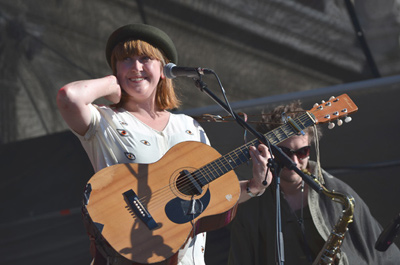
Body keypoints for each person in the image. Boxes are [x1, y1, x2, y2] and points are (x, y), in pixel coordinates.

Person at [56, 23, 271, 265]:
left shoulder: (189, 127)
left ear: (163, 69)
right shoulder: (104, 120)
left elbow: (216, 197)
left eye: (145, 58)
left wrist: (255, 185)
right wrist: (111, 85)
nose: (136, 67)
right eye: (125, 59)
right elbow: (69, 96)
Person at [228, 101, 400, 265]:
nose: (294, 160)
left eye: (302, 151)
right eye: (284, 152)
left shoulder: (337, 191)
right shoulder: (250, 206)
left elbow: (386, 255)